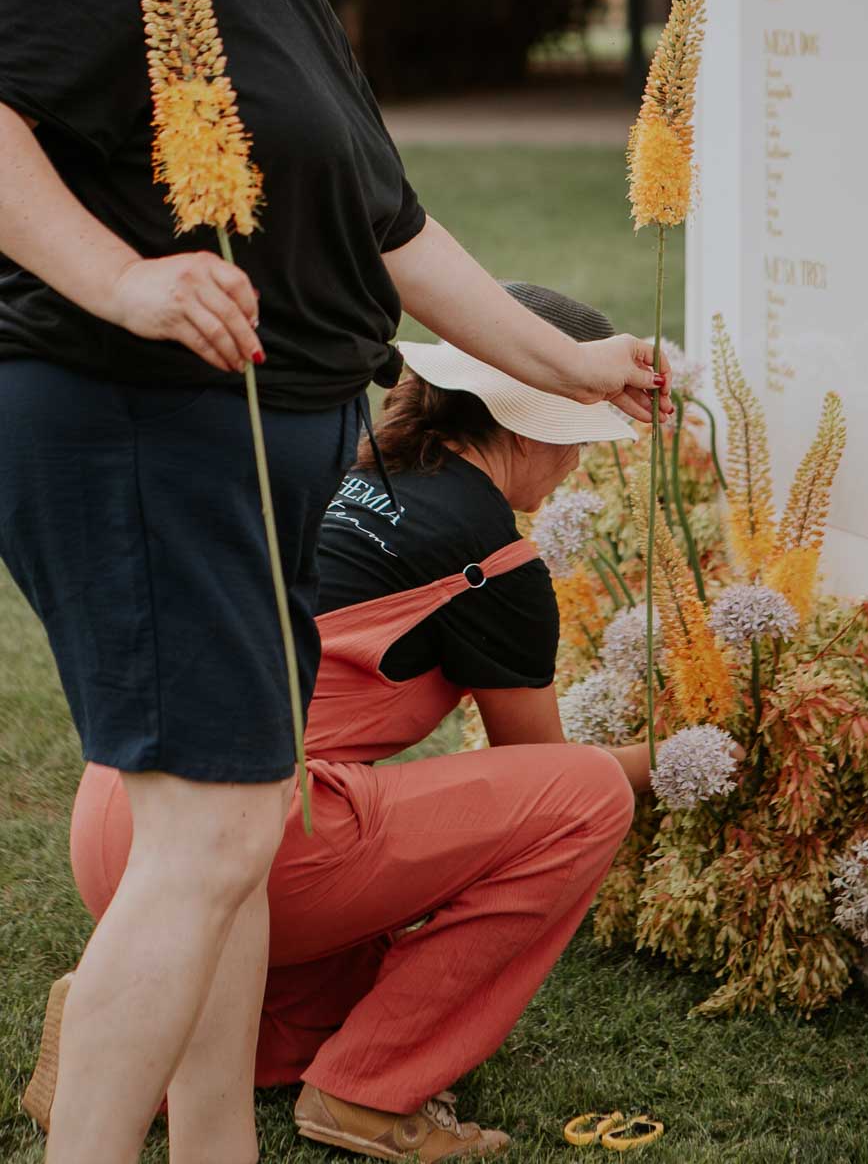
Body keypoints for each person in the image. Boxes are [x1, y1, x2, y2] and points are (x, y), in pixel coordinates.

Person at [0, 0, 671, 1164]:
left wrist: (572, 367)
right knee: (218, 831)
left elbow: (394, 236)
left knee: (234, 828)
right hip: (134, 430)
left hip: (255, 455)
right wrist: (121, 279)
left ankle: (219, 1144)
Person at [62, 284, 651, 1161]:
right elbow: (542, 770)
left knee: (343, 949)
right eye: (576, 449)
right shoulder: (494, 558)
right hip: (252, 841)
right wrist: (668, 756)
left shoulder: (340, 458)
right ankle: (368, 1093)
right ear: (533, 431)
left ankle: (114, 1022)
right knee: (589, 794)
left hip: (126, 810)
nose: (574, 470)